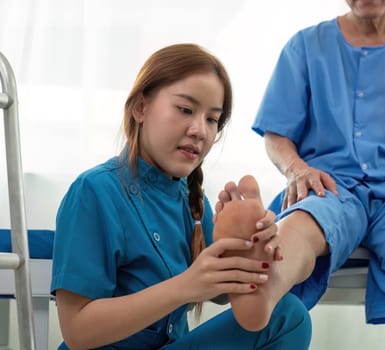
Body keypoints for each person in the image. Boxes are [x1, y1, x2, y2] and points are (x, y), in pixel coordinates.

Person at [220, 1, 385, 349]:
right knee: (303, 223)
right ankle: (263, 283)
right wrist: (297, 169)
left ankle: (265, 274)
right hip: (330, 183)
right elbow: (277, 134)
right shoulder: (306, 47)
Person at [50, 43, 311, 350]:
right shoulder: (94, 192)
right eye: (185, 110)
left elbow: (222, 292)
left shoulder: (193, 202)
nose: (200, 130)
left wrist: (247, 247)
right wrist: (185, 286)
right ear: (141, 108)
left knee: (289, 316)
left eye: (213, 120)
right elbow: (77, 331)